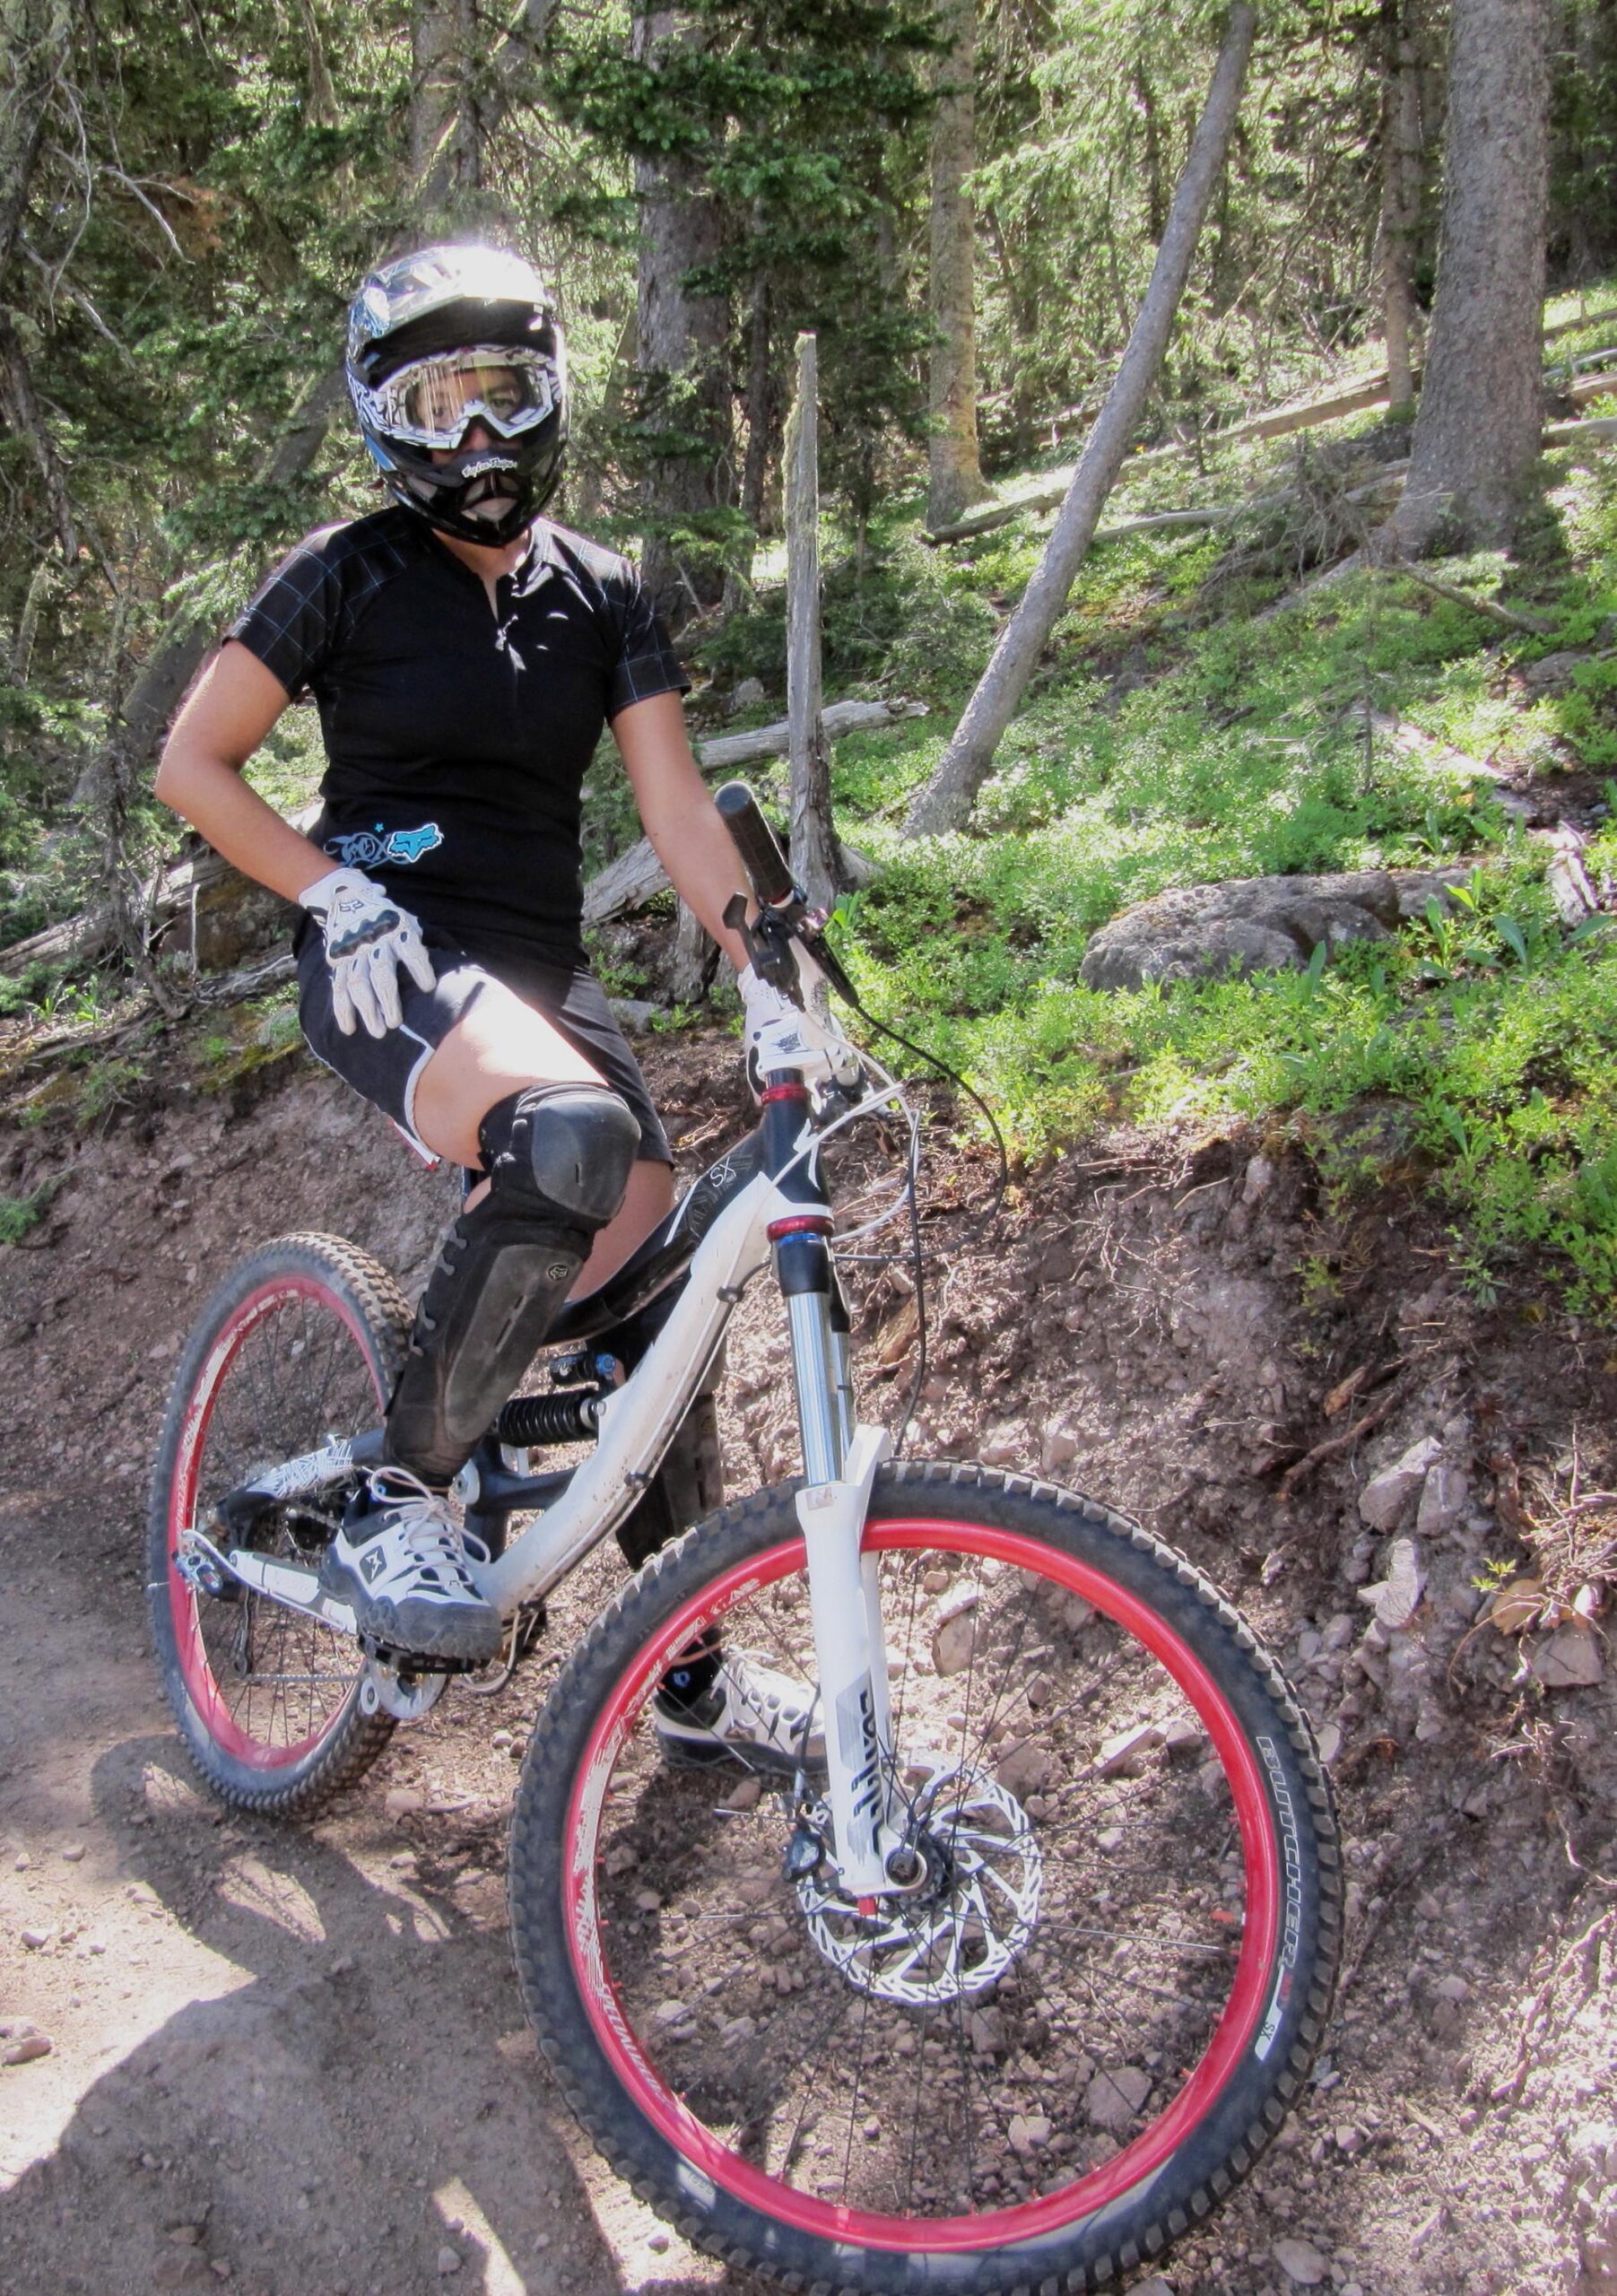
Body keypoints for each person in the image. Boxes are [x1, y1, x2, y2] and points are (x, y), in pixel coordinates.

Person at [155, 241, 812, 1763]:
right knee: (569, 1134)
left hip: (542, 973)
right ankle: (400, 1492)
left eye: (500, 394)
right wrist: (326, 888)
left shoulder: (604, 592)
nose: (474, 438)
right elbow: (194, 761)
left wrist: (767, 962)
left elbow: (677, 811)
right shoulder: (344, 571)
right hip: (389, 954)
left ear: (550, 395)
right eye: (434, 405)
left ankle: (689, 1673)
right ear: (381, 420)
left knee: (664, 1303)